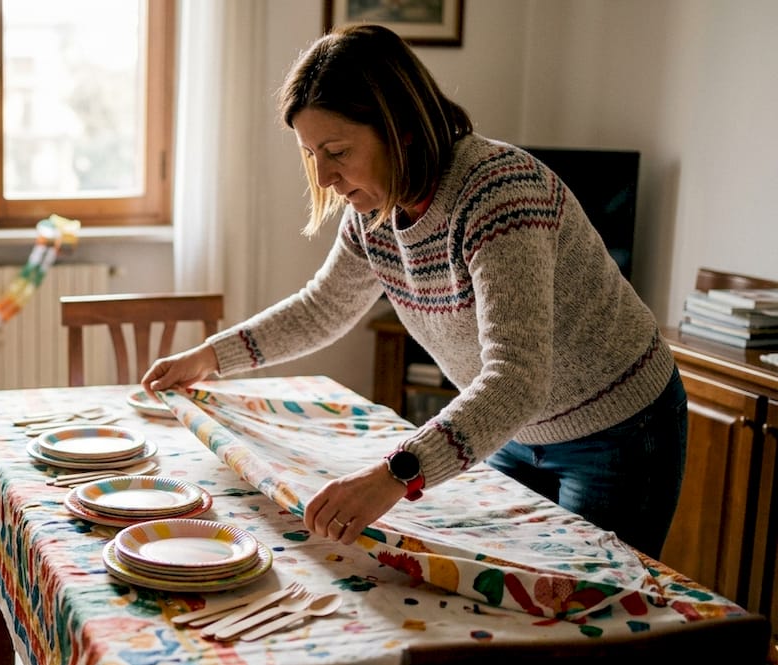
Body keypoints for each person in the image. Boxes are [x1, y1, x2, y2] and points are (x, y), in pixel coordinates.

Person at [140, 24, 687, 559]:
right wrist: (208, 357)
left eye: (337, 151)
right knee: (518, 590)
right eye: (312, 155)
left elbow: (517, 379)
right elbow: (323, 307)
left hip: (618, 427)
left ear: (399, 128)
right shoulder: (373, 212)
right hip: (514, 430)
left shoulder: (498, 193)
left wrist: (392, 475)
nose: (324, 177)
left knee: (600, 601)